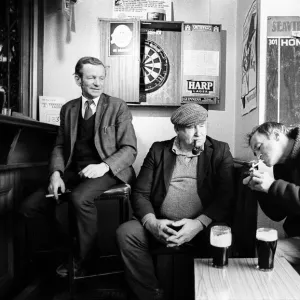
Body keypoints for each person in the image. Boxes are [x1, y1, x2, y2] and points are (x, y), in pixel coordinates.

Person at [20, 56, 137, 277]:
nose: (98, 83)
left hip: (109, 172)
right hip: (75, 171)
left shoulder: (117, 106)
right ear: (78, 79)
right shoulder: (68, 109)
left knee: (79, 198)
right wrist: (56, 174)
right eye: (91, 77)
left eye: (101, 78)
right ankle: (67, 251)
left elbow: (129, 149)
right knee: (31, 206)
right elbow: (60, 145)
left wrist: (103, 166)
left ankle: (86, 260)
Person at [116, 103, 234, 300]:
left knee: (221, 235)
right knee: (126, 233)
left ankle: (210, 293)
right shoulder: (158, 150)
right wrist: (152, 223)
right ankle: (151, 294)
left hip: (202, 224)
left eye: (202, 125)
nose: (199, 133)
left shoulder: (220, 150)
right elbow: (140, 193)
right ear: (177, 130)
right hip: (162, 223)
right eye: (191, 127)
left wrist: (198, 224)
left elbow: (226, 197)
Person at [243, 121, 300, 272]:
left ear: (276, 135)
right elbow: (278, 215)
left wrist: (272, 186)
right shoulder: (282, 165)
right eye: (255, 154)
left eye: (259, 147)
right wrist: (260, 189)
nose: (258, 156)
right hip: (296, 236)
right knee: (266, 253)